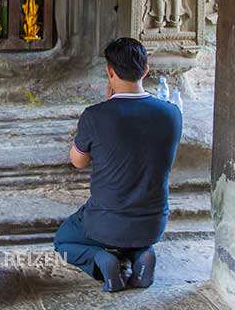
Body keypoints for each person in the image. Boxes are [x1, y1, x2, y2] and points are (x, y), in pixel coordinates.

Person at [54, 37, 182, 292]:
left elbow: (78, 161)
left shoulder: (95, 115)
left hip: (104, 221)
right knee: (132, 234)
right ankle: (141, 254)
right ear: (146, 70)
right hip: (154, 222)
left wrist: (106, 108)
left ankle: (103, 260)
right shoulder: (172, 114)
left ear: (109, 71)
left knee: (64, 241)